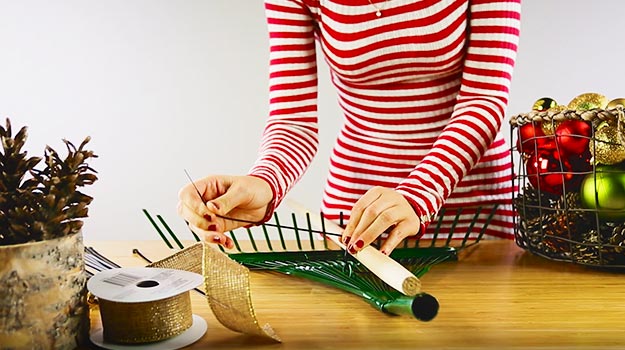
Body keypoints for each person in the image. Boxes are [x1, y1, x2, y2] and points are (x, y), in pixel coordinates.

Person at [178, 0, 521, 255]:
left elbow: (484, 99)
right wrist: (264, 182)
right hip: (357, 216)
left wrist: (417, 196)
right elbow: (293, 119)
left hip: (473, 207)